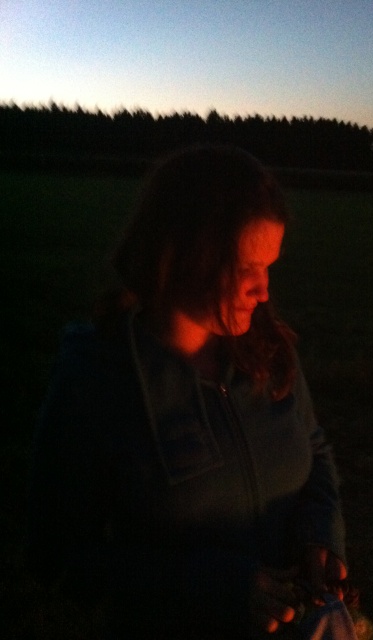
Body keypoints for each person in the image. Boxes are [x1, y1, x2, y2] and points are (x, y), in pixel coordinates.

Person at [27, 145, 354, 639]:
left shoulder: (268, 349)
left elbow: (314, 449)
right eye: (246, 269)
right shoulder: (98, 379)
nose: (264, 291)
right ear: (182, 256)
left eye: (269, 267)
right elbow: (57, 555)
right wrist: (216, 588)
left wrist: (320, 535)